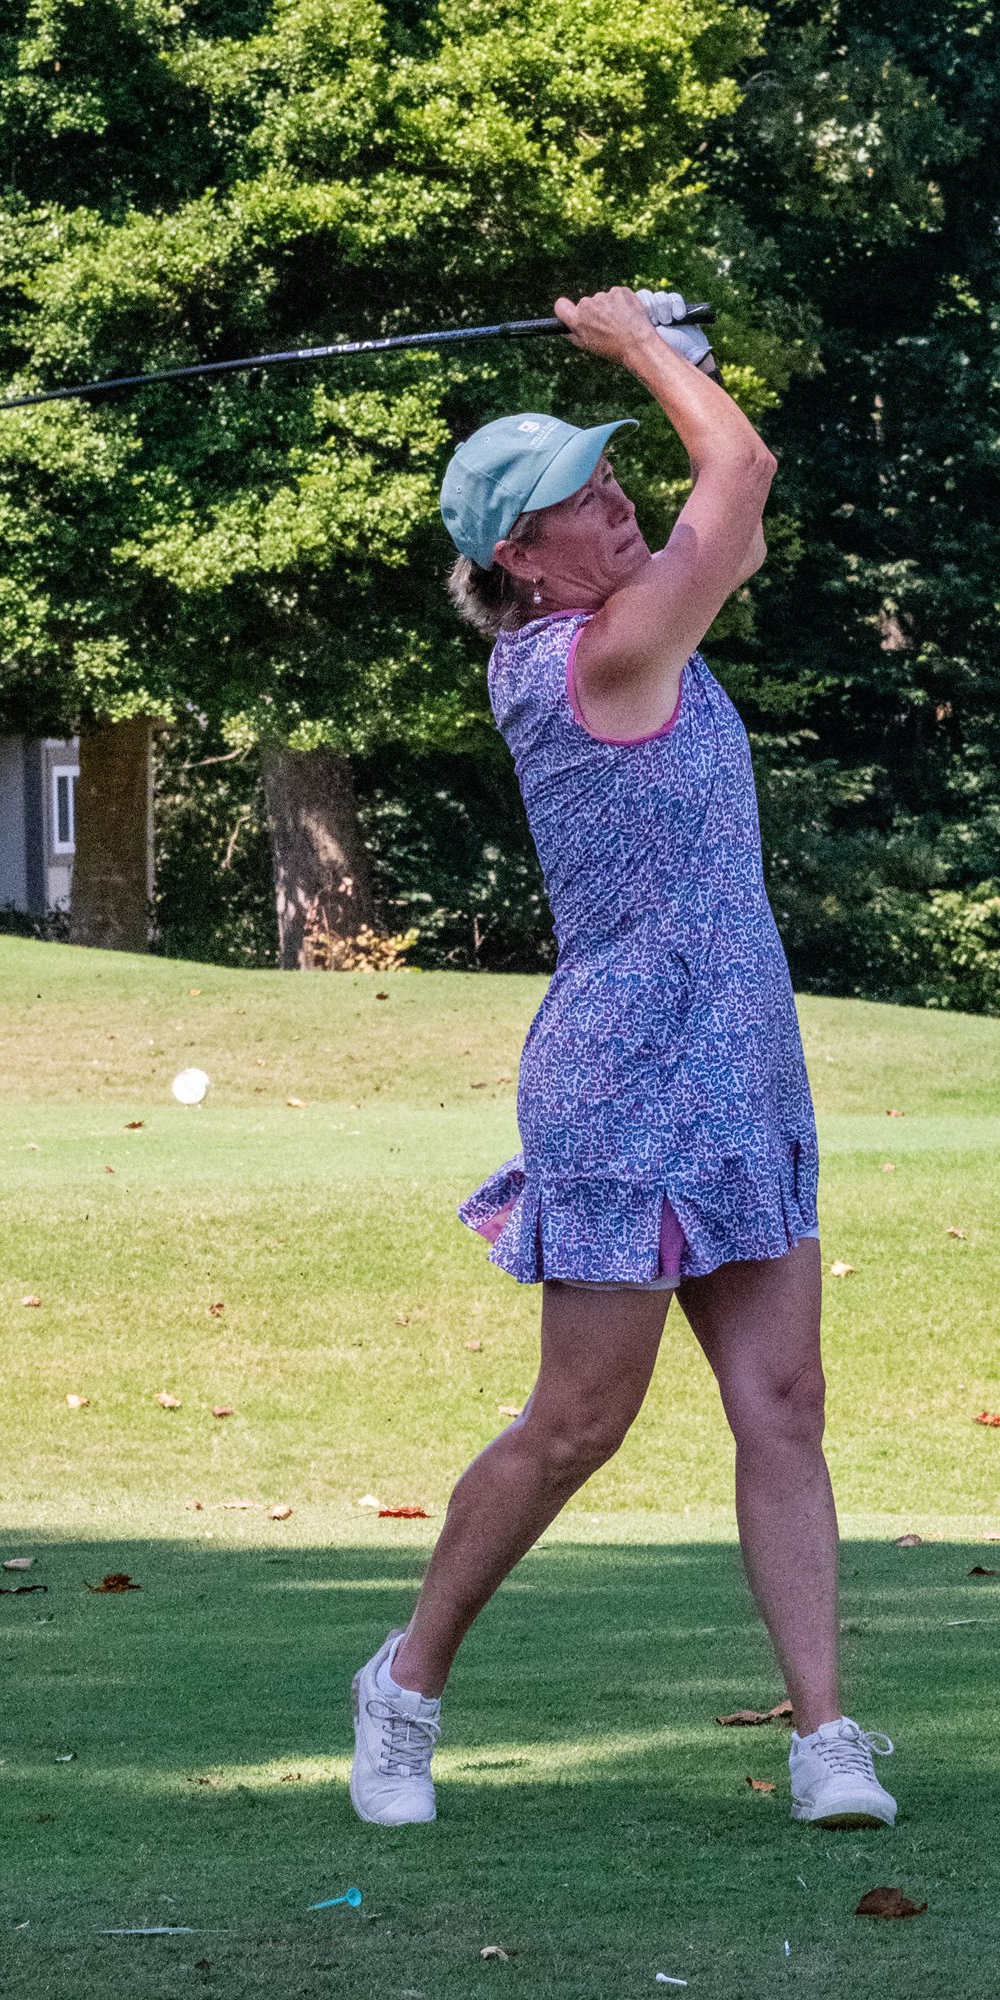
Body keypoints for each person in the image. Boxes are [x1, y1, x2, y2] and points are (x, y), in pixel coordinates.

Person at [349, 286, 897, 1835]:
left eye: (612, 477)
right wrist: (641, 350)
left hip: (740, 1064)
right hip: (625, 1077)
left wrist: (679, 356)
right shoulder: (589, 656)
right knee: (580, 1421)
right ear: (521, 560)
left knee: (780, 1399)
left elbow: (734, 518)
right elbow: (742, 479)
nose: (618, 504)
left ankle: (824, 1736)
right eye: (583, 501)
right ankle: (403, 1684)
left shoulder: (640, 612)